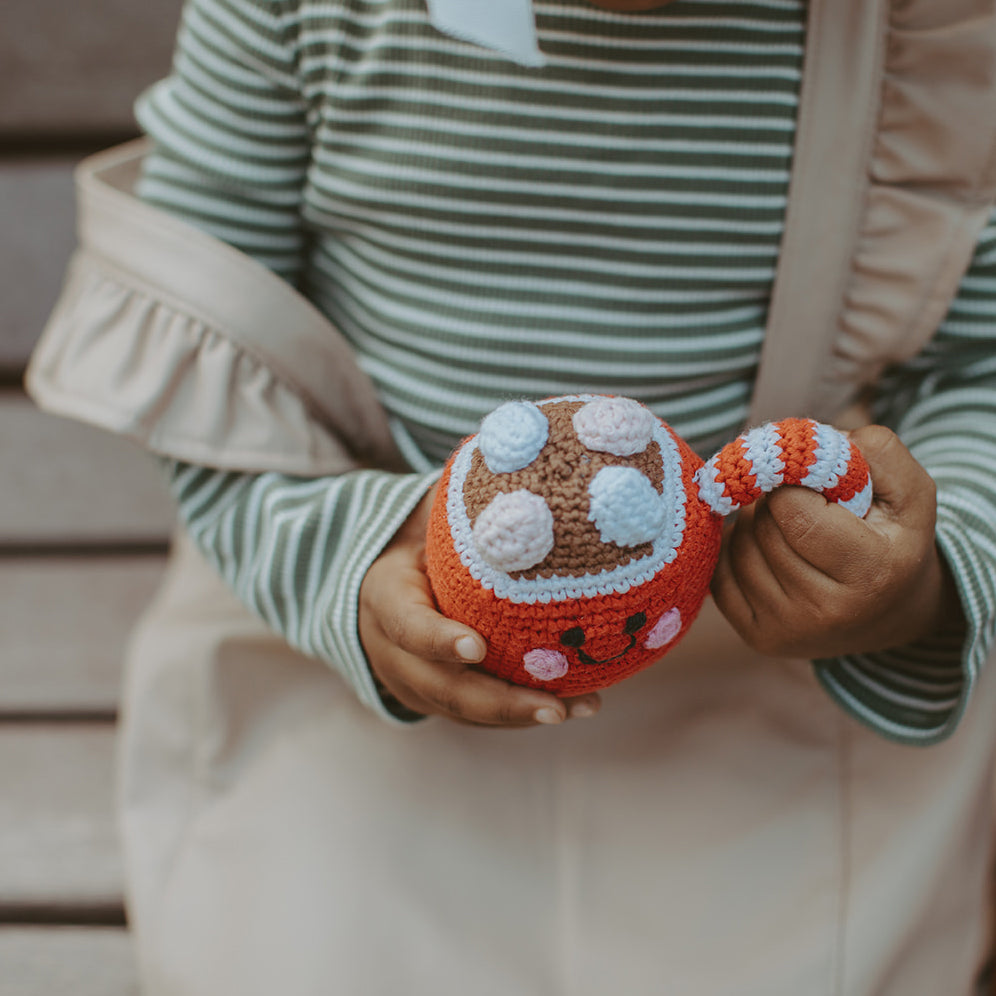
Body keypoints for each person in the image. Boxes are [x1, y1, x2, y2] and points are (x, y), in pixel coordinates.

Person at [25, 0, 996, 993]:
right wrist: (344, 568)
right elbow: (203, 352)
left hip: (780, 676)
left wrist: (918, 585)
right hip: (342, 656)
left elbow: (976, 357)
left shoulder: (913, 31)